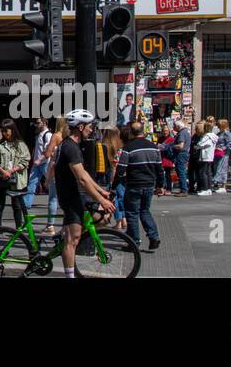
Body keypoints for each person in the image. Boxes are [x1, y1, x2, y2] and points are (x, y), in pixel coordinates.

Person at [53, 110, 116, 279]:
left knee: (103, 219)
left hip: (78, 196)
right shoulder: (70, 147)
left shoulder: (73, 145)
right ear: (80, 127)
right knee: (72, 240)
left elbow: (86, 175)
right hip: (71, 198)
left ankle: (63, 233)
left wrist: (101, 190)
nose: (92, 129)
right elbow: (81, 179)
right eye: (90, 126)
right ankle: (70, 276)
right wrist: (102, 199)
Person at [112, 121, 164, 250]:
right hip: (149, 184)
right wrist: (160, 185)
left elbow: (121, 170)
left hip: (134, 184)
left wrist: (114, 187)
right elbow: (159, 168)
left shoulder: (128, 148)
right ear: (143, 131)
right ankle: (154, 237)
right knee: (145, 211)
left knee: (131, 213)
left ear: (132, 132)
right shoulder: (153, 147)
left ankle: (134, 242)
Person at [0, 119, 29, 228]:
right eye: (3, 131)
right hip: (2, 177)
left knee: (17, 205)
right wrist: (3, 171)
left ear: (13, 130)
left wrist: (12, 170)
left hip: (16, 179)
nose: (5, 133)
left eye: (7, 130)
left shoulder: (20, 144)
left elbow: (25, 160)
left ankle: (19, 229)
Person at [24, 118, 53, 211]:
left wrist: (39, 160)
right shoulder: (39, 134)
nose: (36, 125)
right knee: (32, 183)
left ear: (44, 122)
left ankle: (59, 201)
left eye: (38, 123)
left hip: (45, 163)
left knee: (52, 183)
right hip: (37, 164)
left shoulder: (48, 135)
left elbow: (47, 150)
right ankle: (26, 204)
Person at [171, 119, 191, 197]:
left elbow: (180, 145)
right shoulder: (187, 132)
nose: (173, 127)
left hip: (181, 154)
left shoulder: (181, 133)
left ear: (178, 126)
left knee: (180, 171)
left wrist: (171, 146)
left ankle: (183, 190)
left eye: (174, 126)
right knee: (181, 171)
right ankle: (183, 189)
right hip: (185, 153)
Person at [195, 122, 216, 195]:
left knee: (203, 172)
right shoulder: (213, 136)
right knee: (208, 173)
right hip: (210, 156)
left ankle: (205, 189)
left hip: (205, 156)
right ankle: (209, 188)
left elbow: (201, 143)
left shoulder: (207, 136)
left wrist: (197, 146)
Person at [213, 119, 231, 193]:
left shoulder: (227, 133)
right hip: (217, 153)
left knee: (223, 168)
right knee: (217, 168)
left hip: (223, 154)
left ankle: (223, 185)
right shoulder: (220, 133)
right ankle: (218, 184)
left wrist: (222, 149)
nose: (217, 126)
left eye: (219, 125)